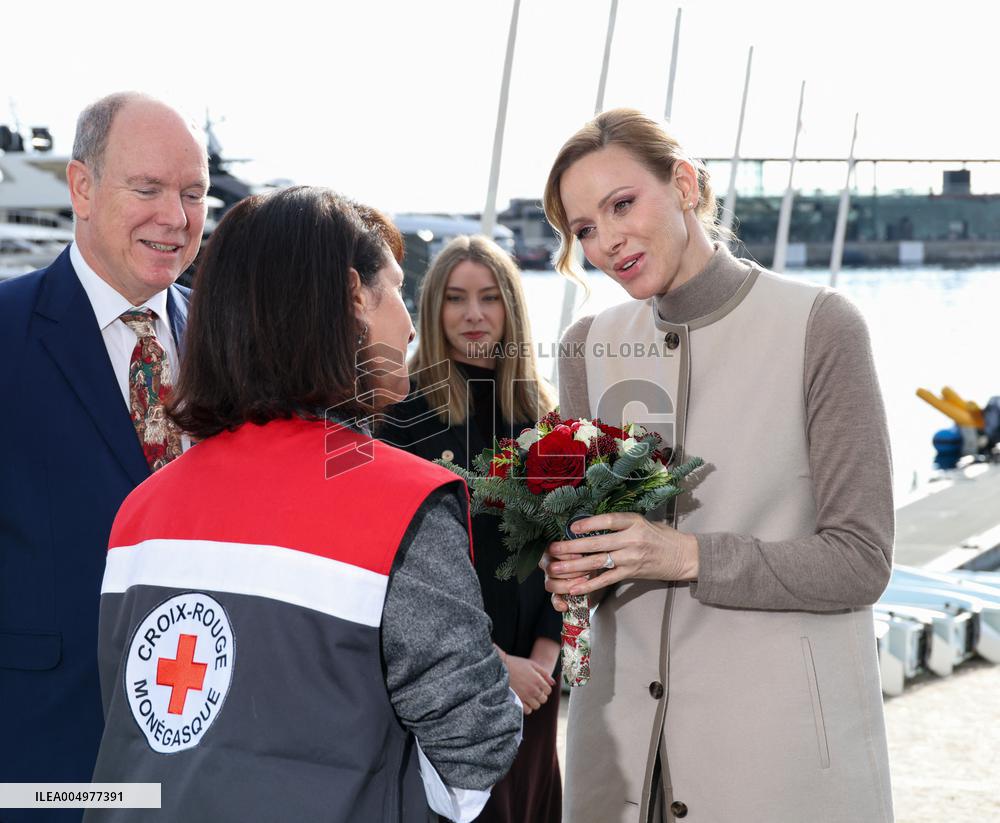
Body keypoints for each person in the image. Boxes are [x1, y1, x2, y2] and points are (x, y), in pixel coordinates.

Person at [85, 188, 522, 823]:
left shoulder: (142, 509)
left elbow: (148, 725)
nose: (408, 323)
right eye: (397, 291)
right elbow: (476, 742)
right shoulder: (402, 504)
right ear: (353, 297)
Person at [540, 109, 894, 823]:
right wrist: (572, 573)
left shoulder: (820, 327)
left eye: (622, 204)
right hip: (622, 762)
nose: (607, 241)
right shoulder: (586, 346)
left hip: (775, 762)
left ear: (685, 184)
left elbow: (861, 560)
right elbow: (595, 554)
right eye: (583, 229)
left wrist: (687, 555)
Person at [0, 92, 208, 809]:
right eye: (147, 189)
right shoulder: (6, 333)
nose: (176, 218)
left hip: (204, 761)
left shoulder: (232, 344)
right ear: (81, 187)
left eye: (192, 193)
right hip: (42, 759)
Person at [379, 235, 562, 823]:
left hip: (537, 687)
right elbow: (399, 572)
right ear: (432, 312)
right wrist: (491, 663)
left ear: (512, 307)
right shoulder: (400, 420)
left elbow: (571, 546)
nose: (474, 315)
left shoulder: (543, 418)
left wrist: (543, 658)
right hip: (453, 685)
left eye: (489, 298)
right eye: (456, 299)